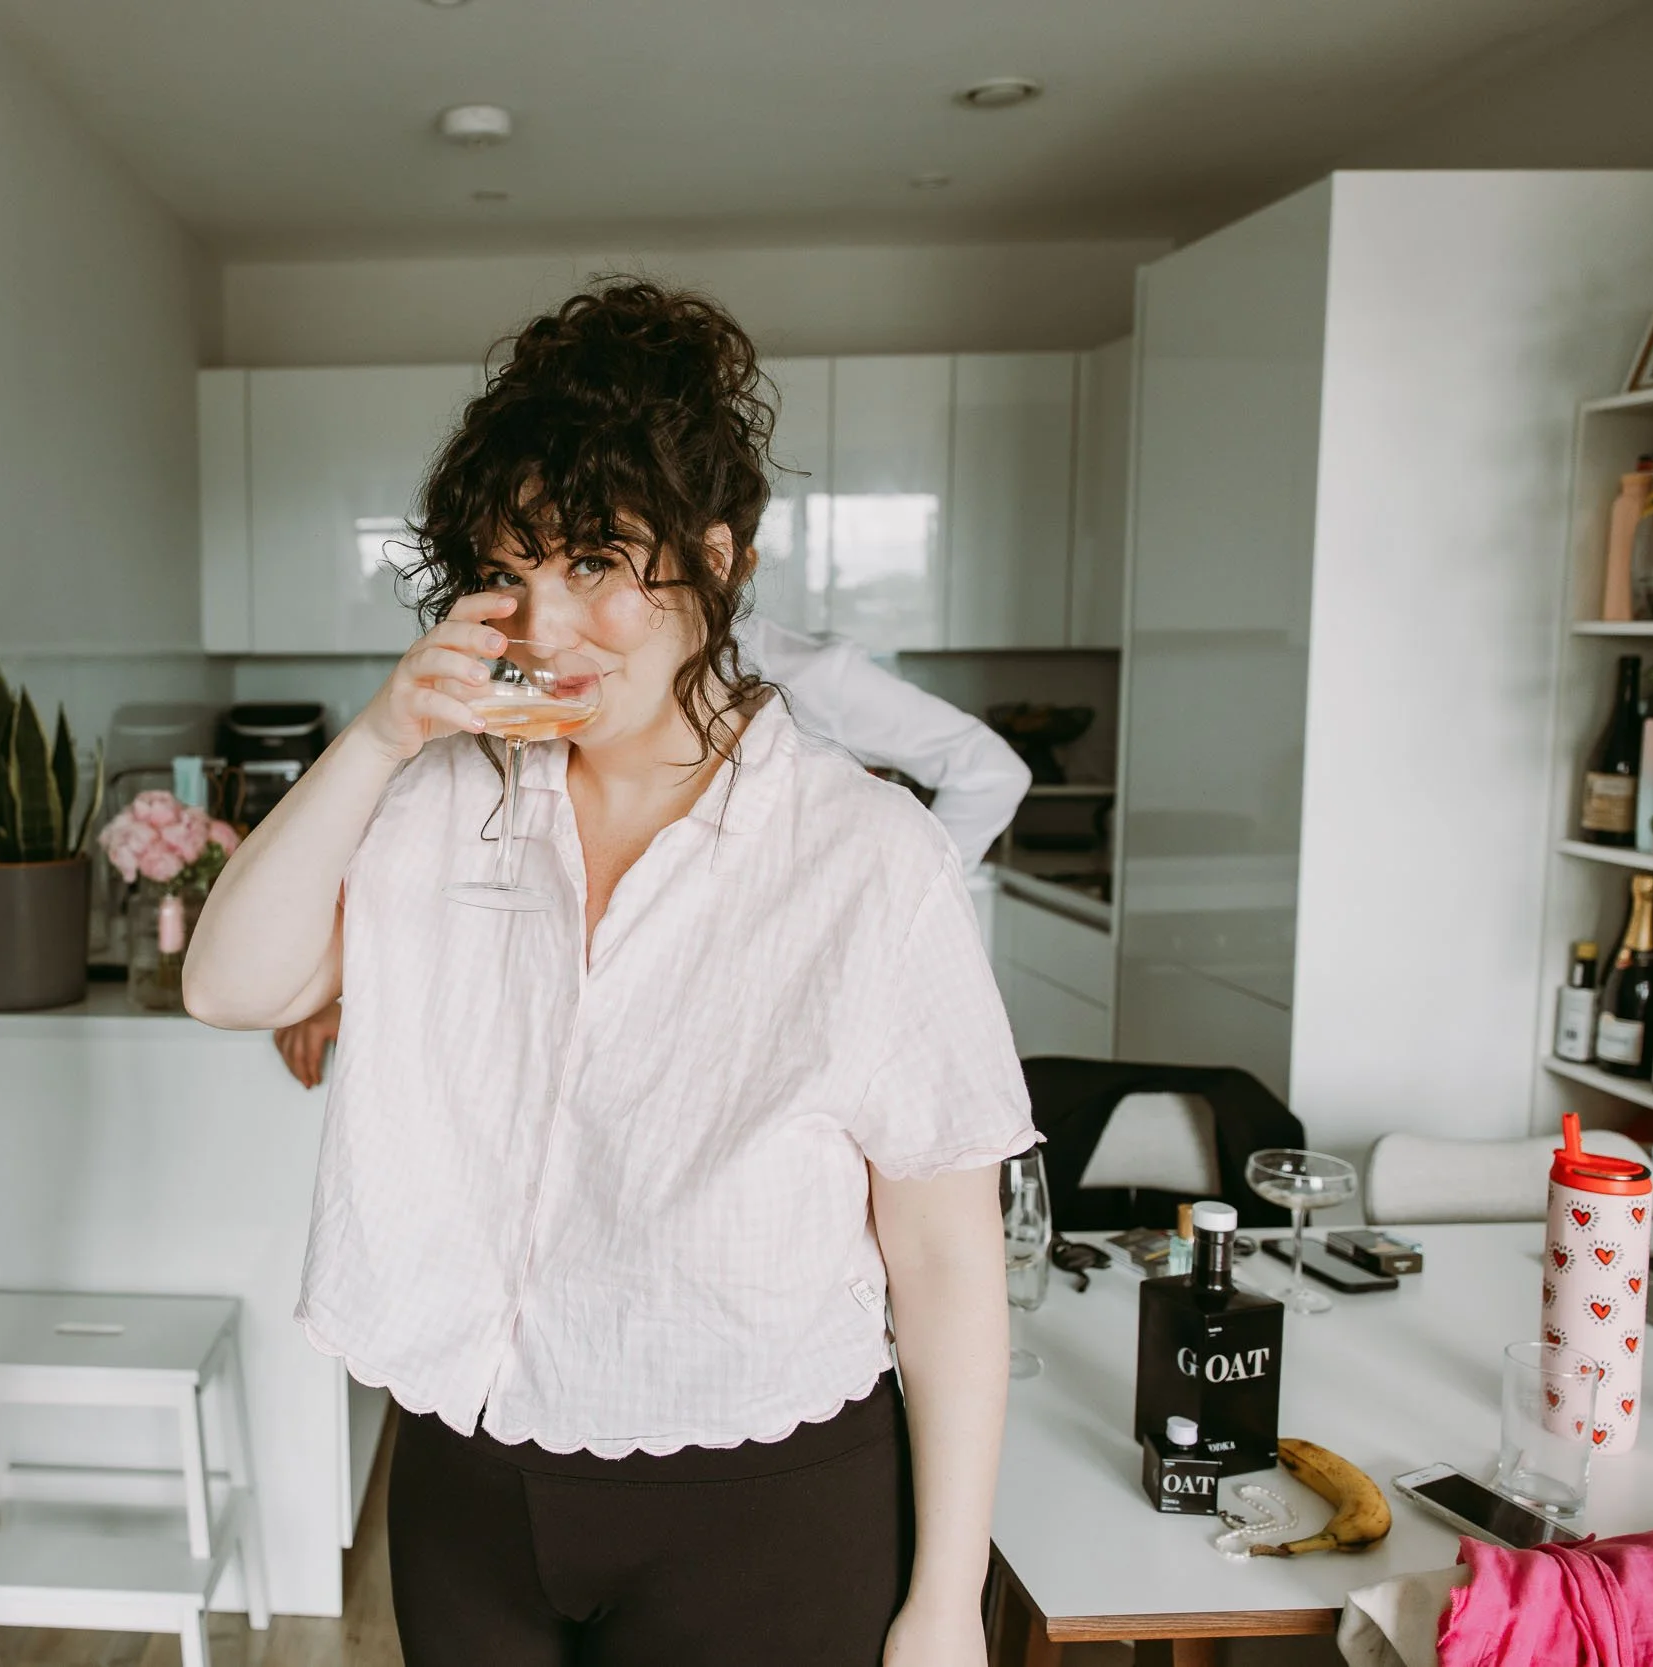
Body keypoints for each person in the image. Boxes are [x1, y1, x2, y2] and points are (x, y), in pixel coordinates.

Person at [185, 281, 1035, 1666]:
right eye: (509, 573)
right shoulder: (440, 795)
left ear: (716, 558)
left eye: (594, 562)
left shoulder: (867, 853)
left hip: (760, 1492)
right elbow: (228, 985)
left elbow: (944, 1251)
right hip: (469, 1468)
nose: (546, 625)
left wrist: (945, 1600)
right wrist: (380, 733)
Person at [271, 616, 1030, 1088]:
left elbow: (991, 771)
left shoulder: (806, 675)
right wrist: (343, 983)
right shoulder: (564, 675)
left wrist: (887, 918)